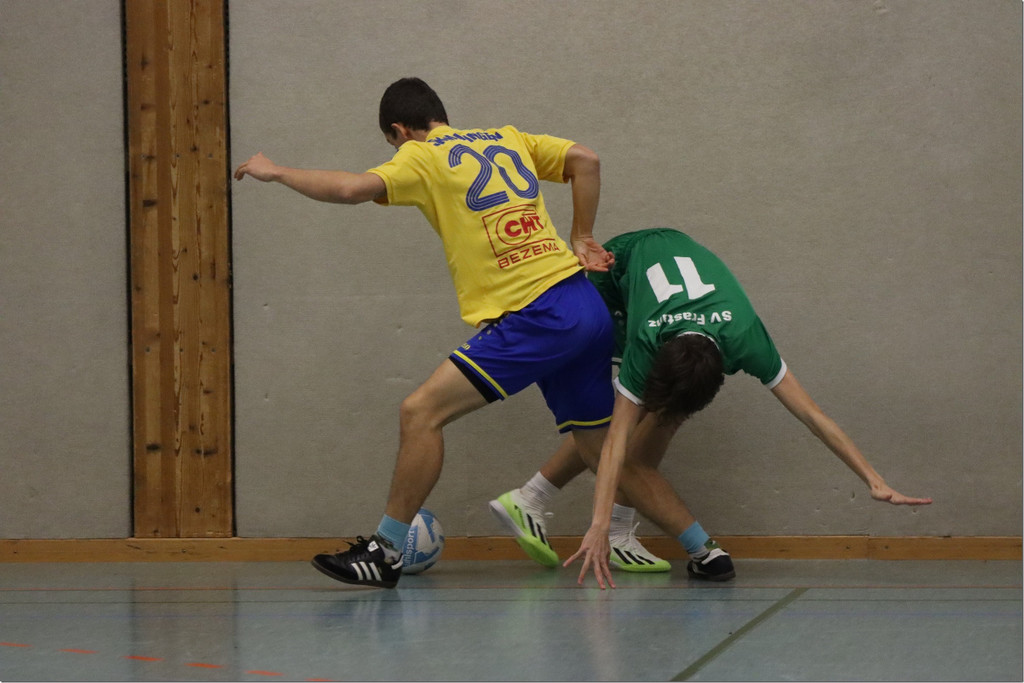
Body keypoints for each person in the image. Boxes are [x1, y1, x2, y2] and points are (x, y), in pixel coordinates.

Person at [234, 77, 618, 589]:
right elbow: (586, 160)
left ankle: (385, 551)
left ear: (399, 130)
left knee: (420, 413)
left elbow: (350, 189)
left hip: (538, 314)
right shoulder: (508, 137)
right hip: (584, 304)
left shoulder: (422, 155)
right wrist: (583, 235)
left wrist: (276, 171)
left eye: (391, 144)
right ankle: (697, 546)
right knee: (599, 443)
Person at [491, 228, 933, 589]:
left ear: (728, 367)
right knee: (618, 425)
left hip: (674, 265)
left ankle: (554, 505)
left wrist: (874, 480)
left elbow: (812, 416)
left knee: (659, 416)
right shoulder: (646, 340)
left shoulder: (746, 336)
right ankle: (544, 502)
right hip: (614, 271)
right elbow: (614, 443)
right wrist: (598, 523)